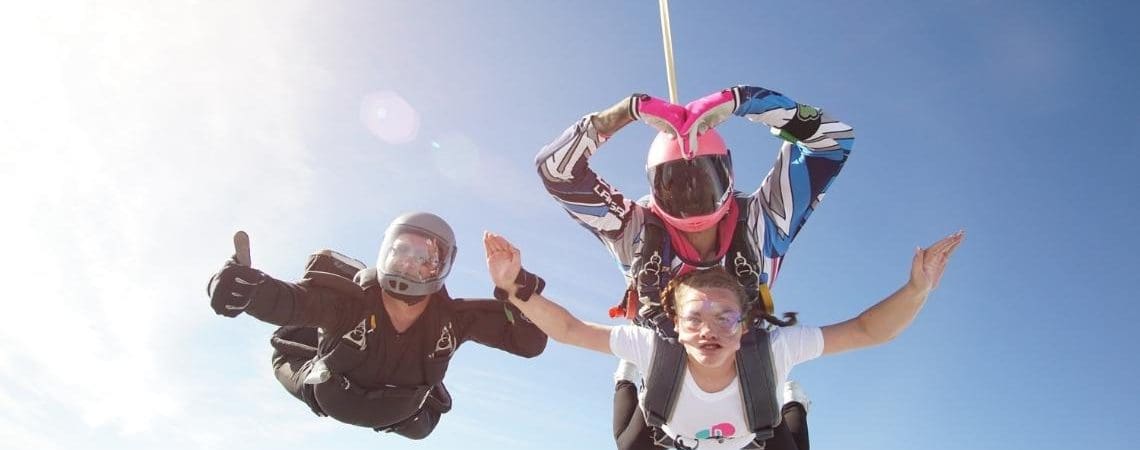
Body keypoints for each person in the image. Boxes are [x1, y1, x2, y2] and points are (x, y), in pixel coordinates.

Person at [535, 85, 855, 448]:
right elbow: (554, 171)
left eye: (707, 179)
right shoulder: (637, 228)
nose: (692, 201)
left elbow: (834, 139)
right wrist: (625, 110)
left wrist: (744, 100)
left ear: (728, 173)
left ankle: (793, 401)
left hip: (744, 368)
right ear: (654, 186)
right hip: (669, 371)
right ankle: (628, 378)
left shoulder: (758, 221)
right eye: (673, 184)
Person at [483, 230, 963, 450]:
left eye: (725, 317)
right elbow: (568, 329)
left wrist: (916, 289)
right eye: (694, 318)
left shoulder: (775, 350)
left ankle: (794, 401)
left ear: (747, 324)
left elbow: (866, 331)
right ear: (672, 321)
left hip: (752, 441)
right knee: (626, 444)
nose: (708, 329)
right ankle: (625, 378)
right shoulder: (655, 346)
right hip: (668, 440)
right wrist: (514, 285)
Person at [207, 212, 548, 439]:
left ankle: (429, 389)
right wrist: (243, 289)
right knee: (284, 349)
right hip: (328, 389)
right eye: (400, 250)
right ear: (385, 253)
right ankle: (314, 342)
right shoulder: (350, 302)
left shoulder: (454, 320)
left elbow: (530, 343)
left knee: (422, 427)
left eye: (424, 257)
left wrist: (517, 288)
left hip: (407, 413)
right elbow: (291, 301)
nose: (408, 262)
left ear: (441, 267)